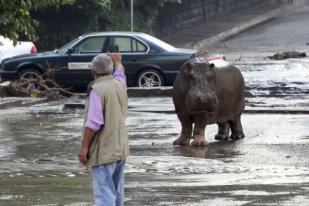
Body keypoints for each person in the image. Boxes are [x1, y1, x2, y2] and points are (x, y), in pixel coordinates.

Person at [78, 53, 129, 206]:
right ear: (111, 69)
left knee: (104, 194)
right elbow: (120, 71)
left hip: (105, 151)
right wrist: (118, 61)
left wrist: (84, 147)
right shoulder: (120, 83)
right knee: (117, 192)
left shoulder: (97, 89)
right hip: (121, 148)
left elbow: (94, 122)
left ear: (93, 71)